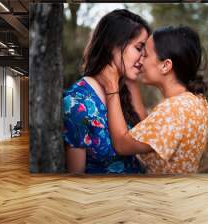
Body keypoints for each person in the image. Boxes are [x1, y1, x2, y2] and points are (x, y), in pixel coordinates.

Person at [97, 26, 208, 174]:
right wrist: (131, 81)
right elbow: (150, 130)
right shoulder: (195, 101)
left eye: (145, 55)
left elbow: (121, 144)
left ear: (165, 66)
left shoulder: (174, 109)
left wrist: (111, 86)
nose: (140, 60)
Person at [63, 9, 151, 174]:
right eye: (139, 48)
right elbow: (75, 177)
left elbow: (145, 136)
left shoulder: (125, 89)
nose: (144, 57)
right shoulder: (75, 102)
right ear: (112, 45)